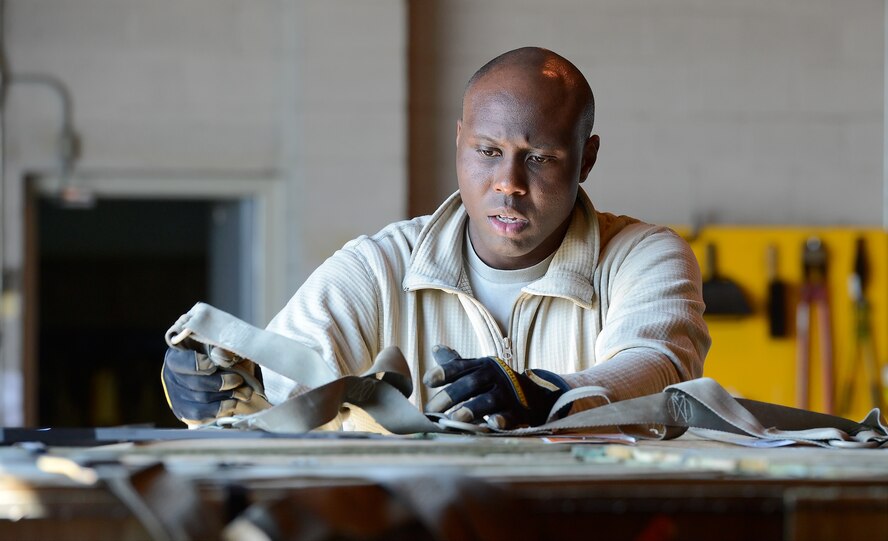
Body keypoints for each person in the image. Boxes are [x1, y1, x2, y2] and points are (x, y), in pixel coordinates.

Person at [162, 47, 711, 430]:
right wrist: (220, 386)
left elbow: (657, 367)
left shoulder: (645, 257)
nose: (509, 184)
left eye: (540, 159)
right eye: (488, 152)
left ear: (586, 159)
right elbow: (283, 383)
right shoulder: (378, 267)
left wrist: (548, 394)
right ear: (459, 142)